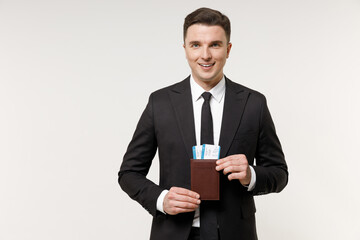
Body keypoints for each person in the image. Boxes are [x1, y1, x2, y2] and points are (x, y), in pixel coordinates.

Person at [118, 7, 288, 240]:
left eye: (215, 45)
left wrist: (250, 174)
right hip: (173, 232)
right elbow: (129, 173)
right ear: (185, 49)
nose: (205, 55)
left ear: (228, 50)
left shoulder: (254, 104)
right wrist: (161, 200)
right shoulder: (160, 103)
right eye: (196, 44)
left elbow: (279, 174)